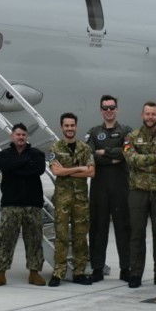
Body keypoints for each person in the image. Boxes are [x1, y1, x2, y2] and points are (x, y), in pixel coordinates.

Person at [124, 101, 156, 288]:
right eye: (147, 114)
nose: (150, 117)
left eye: (153, 114)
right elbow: (131, 160)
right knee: (137, 234)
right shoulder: (131, 137)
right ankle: (136, 274)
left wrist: (143, 161)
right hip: (138, 191)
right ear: (142, 115)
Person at [0, 123, 47, 287]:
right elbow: (6, 167)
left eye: (23, 135)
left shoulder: (37, 154)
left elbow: (38, 170)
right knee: (6, 239)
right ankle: (0, 273)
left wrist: (16, 166)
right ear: (12, 136)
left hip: (32, 204)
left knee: (34, 240)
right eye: (18, 134)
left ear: (27, 137)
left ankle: (34, 273)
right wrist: (25, 163)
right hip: (10, 204)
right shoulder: (3, 155)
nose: (20, 137)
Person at [87, 95, 131, 282]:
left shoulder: (126, 130)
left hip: (121, 186)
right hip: (99, 187)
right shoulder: (94, 132)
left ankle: (126, 268)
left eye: (112, 107)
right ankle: (97, 268)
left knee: (124, 228)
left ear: (117, 109)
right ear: (101, 110)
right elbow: (89, 156)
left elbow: (127, 153)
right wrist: (113, 157)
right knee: (98, 228)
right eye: (105, 108)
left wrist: (103, 152)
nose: (109, 111)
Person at [48, 112, 95, 286]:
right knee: (61, 236)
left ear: (76, 126)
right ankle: (58, 272)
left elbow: (92, 172)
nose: (69, 128)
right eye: (66, 126)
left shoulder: (85, 148)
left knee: (80, 236)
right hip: (62, 199)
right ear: (62, 127)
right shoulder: (55, 148)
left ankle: (79, 272)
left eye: (72, 125)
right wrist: (80, 168)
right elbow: (56, 172)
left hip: (81, 199)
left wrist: (68, 170)